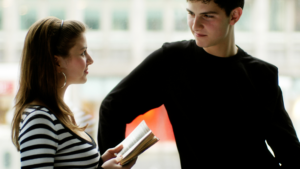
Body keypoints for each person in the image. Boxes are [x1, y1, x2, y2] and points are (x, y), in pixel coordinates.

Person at [98, 0, 300, 168]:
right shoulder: (172, 61)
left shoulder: (261, 74)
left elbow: (289, 151)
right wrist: (116, 163)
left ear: (234, 16)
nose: (195, 25)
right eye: (191, 13)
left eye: (208, 16)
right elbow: (113, 107)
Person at [11, 17, 136, 169]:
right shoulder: (40, 119)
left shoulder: (59, 113)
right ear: (57, 62)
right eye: (83, 53)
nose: (90, 60)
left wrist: (100, 162)